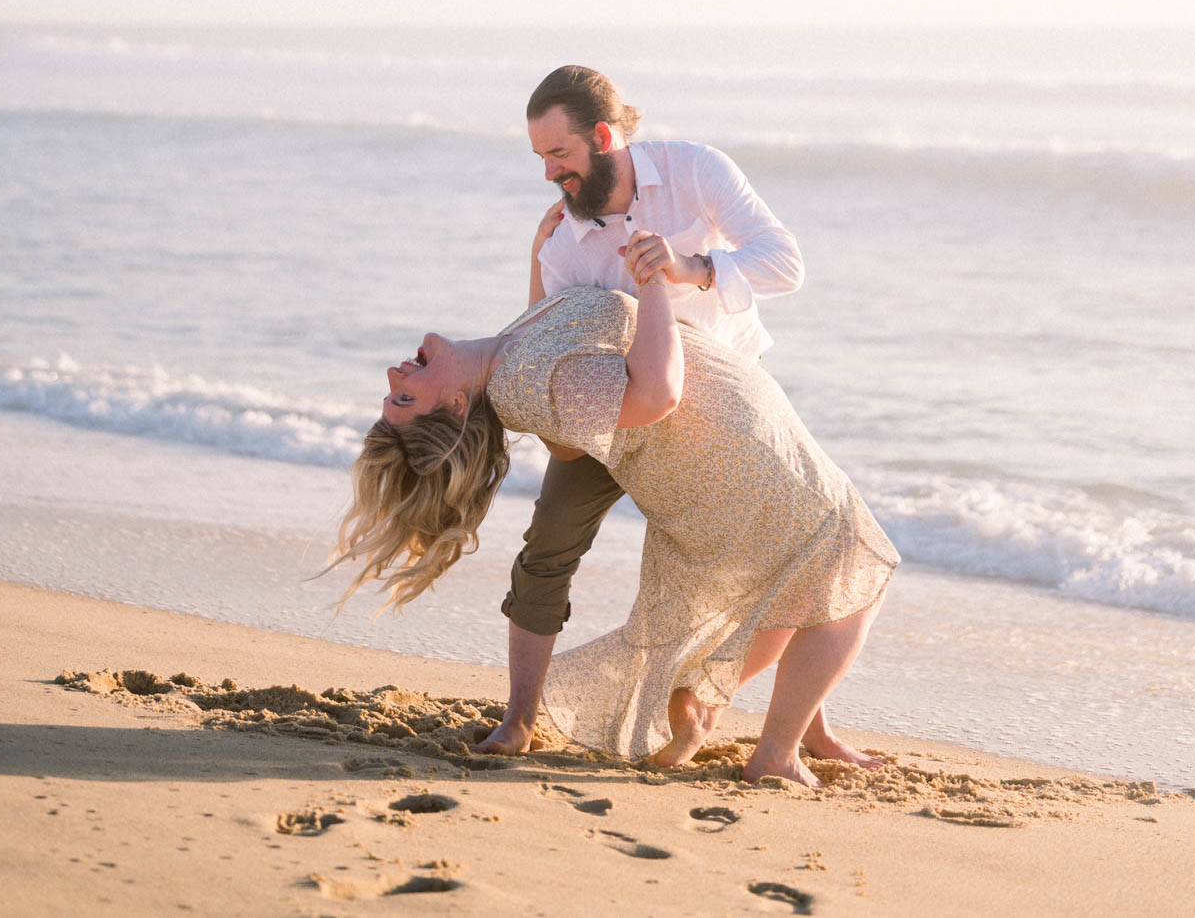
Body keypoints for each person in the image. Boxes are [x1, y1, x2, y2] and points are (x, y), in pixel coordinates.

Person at [337, 248, 898, 785]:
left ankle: (739, 713)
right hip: (735, 458)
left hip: (730, 452)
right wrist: (654, 280)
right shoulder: (526, 382)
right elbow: (656, 395)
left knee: (802, 577)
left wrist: (542, 250)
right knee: (855, 566)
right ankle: (774, 753)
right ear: (456, 406)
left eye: (394, 393)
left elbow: (571, 428)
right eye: (404, 399)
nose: (394, 376)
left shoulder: (510, 362)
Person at [487, 64, 807, 757]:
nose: (549, 174)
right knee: (546, 549)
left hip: (719, 408)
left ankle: (809, 728)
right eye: (541, 158)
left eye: (560, 155)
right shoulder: (562, 239)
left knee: (785, 550)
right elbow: (549, 332)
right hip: (619, 415)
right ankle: (518, 719)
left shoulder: (695, 170)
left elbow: (785, 263)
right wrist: (537, 264)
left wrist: (689, 266)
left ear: (603, 137)